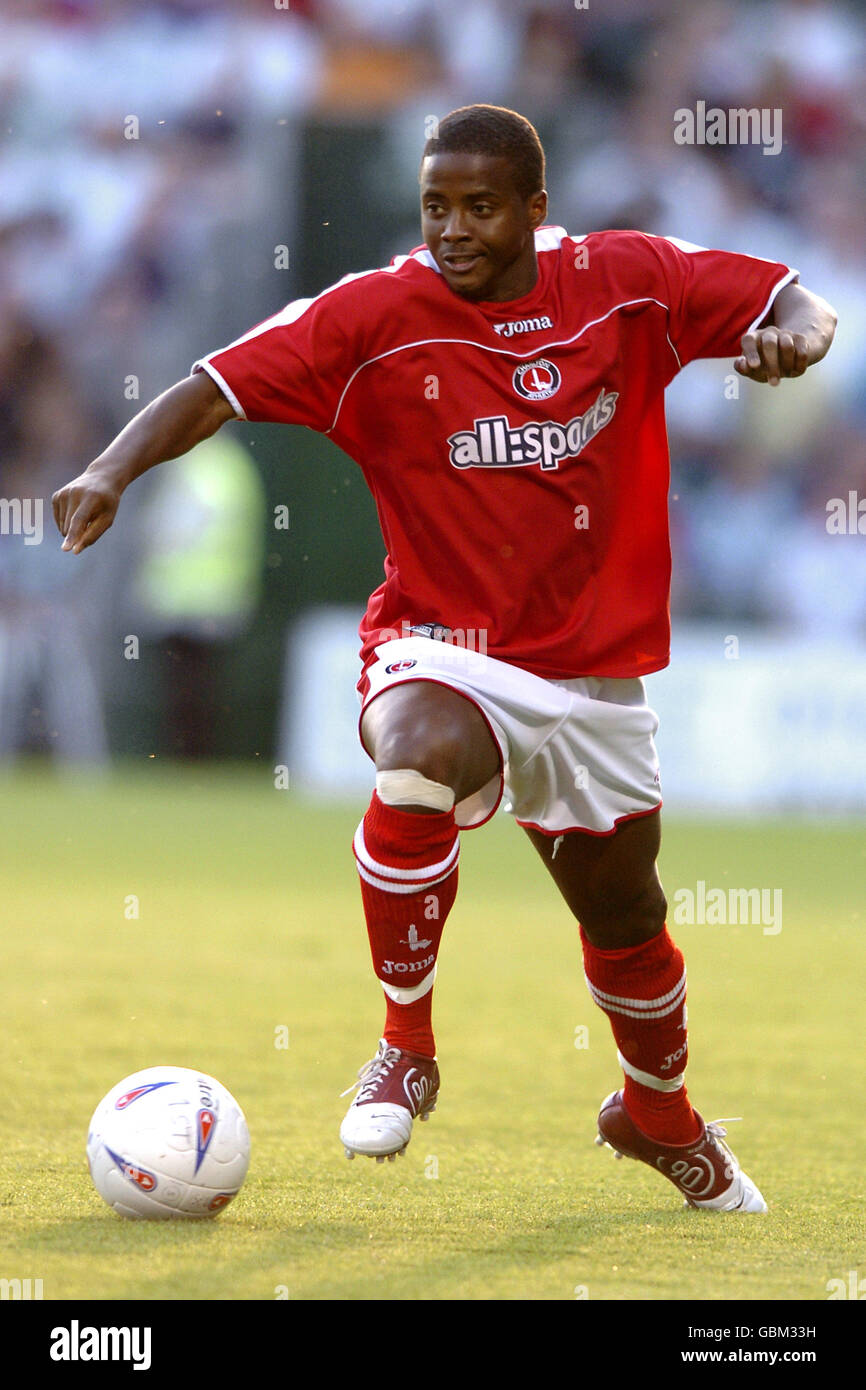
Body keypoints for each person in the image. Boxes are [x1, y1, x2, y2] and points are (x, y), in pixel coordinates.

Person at [53, 105, 836, 1212]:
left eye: (478, 206)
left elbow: (787, 299)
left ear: (533, 209)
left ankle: (654, 1117)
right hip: (440, 646)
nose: (452, 229)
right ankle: (404, 1044)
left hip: (593, 679)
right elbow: (211, 385)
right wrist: (109, 470)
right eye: (435, 206)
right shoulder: (376, 313)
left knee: (625, 921)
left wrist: (796, 338)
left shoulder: (628, 280)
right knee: (415, 753)